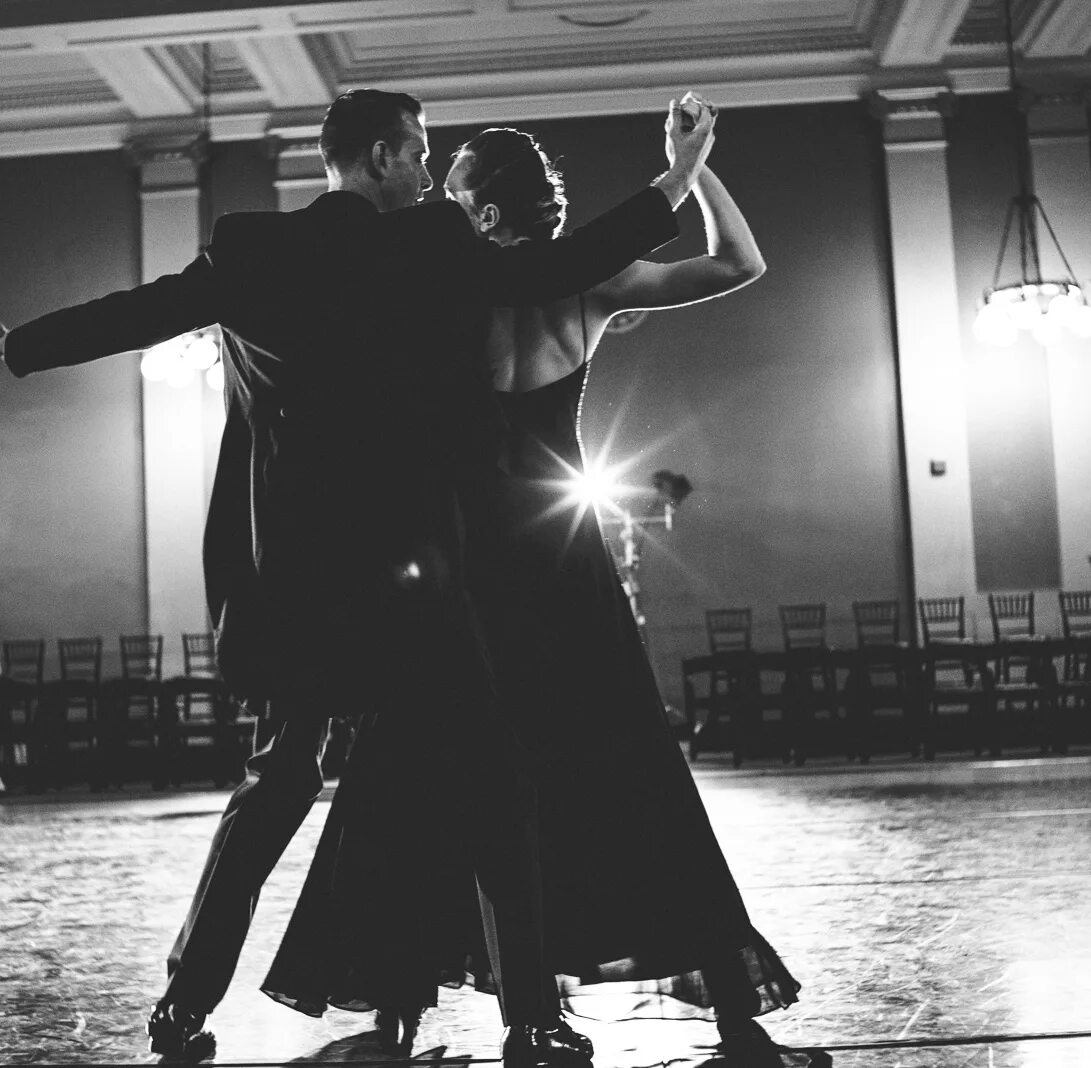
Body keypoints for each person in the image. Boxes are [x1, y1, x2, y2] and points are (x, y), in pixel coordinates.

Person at [0, 88, 716, 1066]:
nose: (430, 172)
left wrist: (16, 344)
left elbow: (141, 313)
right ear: (385, 156)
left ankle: (182, 1008)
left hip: (296, 581)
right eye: (420, 152)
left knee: (274, 787)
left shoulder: (251, 247)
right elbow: (560, 265)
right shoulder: (434, 242)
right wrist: (675, 178)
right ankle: (532, 1019)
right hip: (416, 571)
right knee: (494, 785)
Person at [260, 107, 800, 1062]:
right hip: (561, 556)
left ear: (481, 209)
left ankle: (397, 1010)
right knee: (618, 762)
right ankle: (725, 1008)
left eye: (451, 187)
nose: (435, 197)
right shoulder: (591, 283)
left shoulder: (438, 287)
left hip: (461, 552)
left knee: (416, 767)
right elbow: (740, 264)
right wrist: (690, 166)